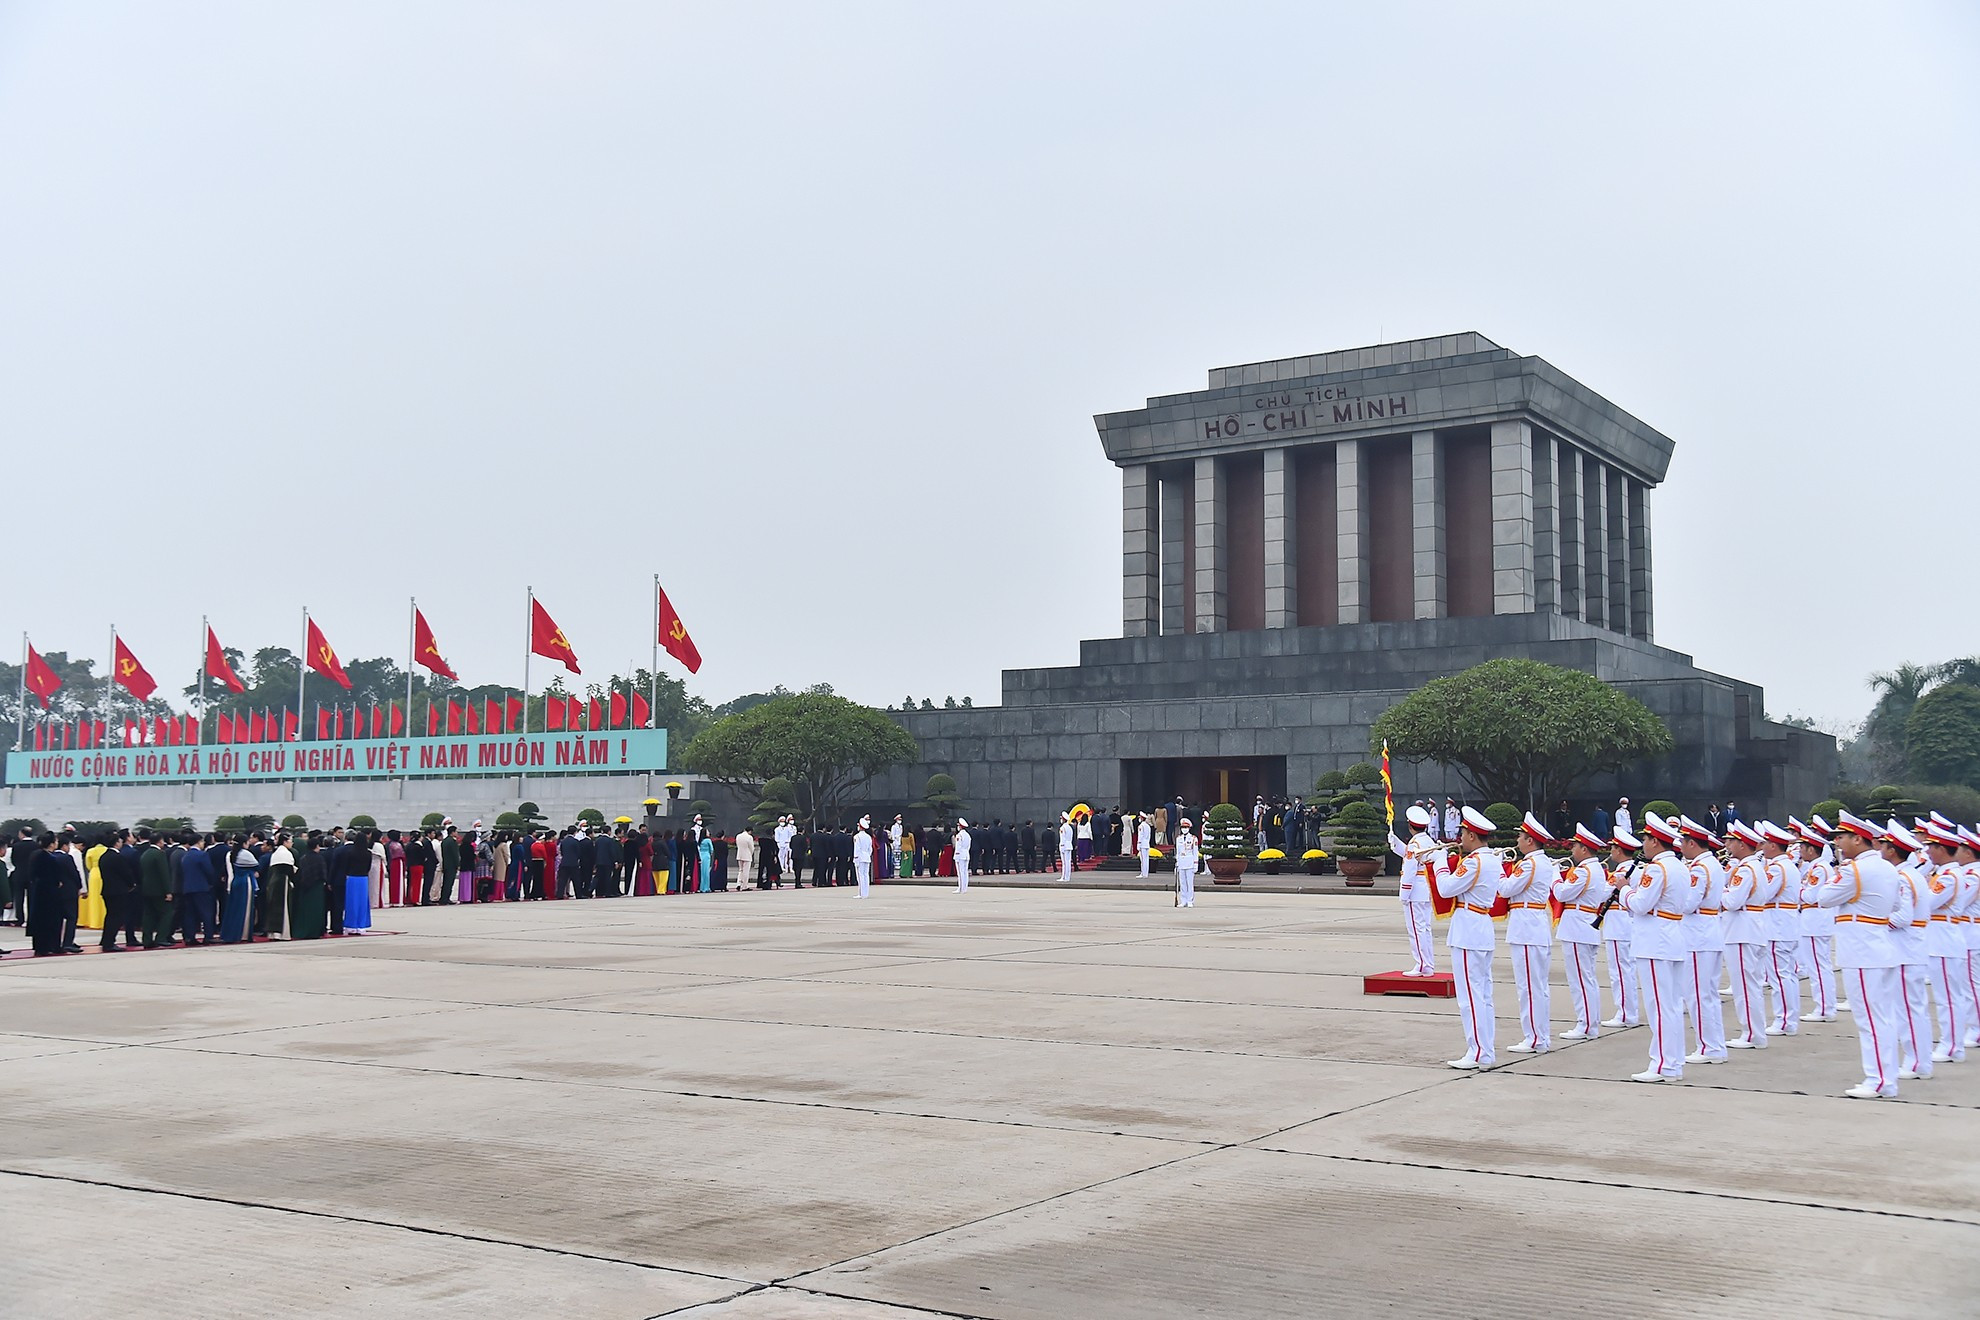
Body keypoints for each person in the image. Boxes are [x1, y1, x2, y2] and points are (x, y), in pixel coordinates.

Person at [1817, 811, 1906, 1098]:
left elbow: (1823, 898)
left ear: (1858, 839)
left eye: (1842, 837)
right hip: (1879, 946)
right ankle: (1885, 1077)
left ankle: (1879, 1080)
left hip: (1862, 951)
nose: (1839, 843)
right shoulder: (1888, 869)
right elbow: (1895, 906)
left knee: (1870, 1019)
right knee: (1882, 1017)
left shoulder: (1854, 869)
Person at [1625, 813, 1695, 1082]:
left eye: (1645, 839)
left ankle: (1663, 1063)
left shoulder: (1656, 868)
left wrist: (1624, 892)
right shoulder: (1678, 866)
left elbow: (1641, 904)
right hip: (1672, 935)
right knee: (1671, 1005)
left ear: (1655, 841)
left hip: (1655, 939)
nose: (1643, 843)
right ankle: (1673, 1062)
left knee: (1660, 1006)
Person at [1439, 807, 1503, 1069]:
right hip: (1480, 927)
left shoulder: (1475, 862)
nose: (1460, 837)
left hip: (1469, 931)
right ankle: (1484, 1049)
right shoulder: (1491, 859)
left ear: (1472, 836)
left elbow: (1445, 889)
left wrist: (1441, 863)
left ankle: (1478, 1052)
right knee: (1483, 995)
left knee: (1470, 996)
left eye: (1463, 833)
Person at [1674, 816, 1728, 1066]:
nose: (1681, 846)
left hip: (1698, 934)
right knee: (1706, 993)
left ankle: (1709, 1046)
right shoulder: (1713, 864)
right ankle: (1714, 1044)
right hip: (1708, 931)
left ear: (1692, 843)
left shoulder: (1698, 868)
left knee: (1697, 994)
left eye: (1683, 842)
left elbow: (1688, 904)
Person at [1502, 813, 1558, 1054]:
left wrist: (1499, 870)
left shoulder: (1529, 864)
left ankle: (1534, 1037)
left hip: (1526, 928)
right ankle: (1540, 1035)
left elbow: (1505, 889)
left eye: (1521, 836)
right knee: (1538, 986)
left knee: (1528, 987)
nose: (1517, 840)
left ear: (1530, 841)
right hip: (1534, 926)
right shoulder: (1544, 862)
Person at [1887, 823, 1934, 1081]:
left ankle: (1917, 1062)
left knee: (1908, 1008)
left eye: (1883, 845)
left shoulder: (1902, 878)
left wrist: (1876, 919)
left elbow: (1903, 917)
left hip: (1905, 946)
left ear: (1892, 850)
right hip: (1910, 946)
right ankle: (1918, 1059)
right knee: (1912, 1007)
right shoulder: (1911, 874)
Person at [1720, 823, 1773, 1050]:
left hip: (1742, 930)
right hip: (1751, 927)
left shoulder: (1745, 869)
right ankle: (1754, 1031)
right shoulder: (1754, 867)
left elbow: (1732, 902)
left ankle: (1752, 1033)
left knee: (1745, 986)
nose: (1727, 845)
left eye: (1731, 841)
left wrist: (1719, 892)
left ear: (1742, 844)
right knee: (1750, 984)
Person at [1555, 825, 1608, 1039]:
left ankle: (1586, 1024)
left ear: (1584, 849)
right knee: (1587, 979)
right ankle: (1590, 1021)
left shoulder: (1583, 871)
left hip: (1578, 927)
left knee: (1580, 980)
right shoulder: (1595, 869)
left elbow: (1562, 893)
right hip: (1584, 926)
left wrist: (1555, 877)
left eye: (1575, 846)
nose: (1572, 850)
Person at [1387, 805, 1445, 977]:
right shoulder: (1426, 840)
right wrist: (1395, 842)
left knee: (1416, 929)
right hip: (1425, 889)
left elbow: (1410, 868)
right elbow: (1408, 854)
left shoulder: (1415, 843)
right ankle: (1427, 964)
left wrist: (1404, 893)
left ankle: (1422, 965)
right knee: (1424, 928)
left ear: (1410, 826)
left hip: (1415, 890)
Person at [1757, 823, 1803, 1037]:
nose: (1762, 846)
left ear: (1773, 845)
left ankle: (1784, 1020)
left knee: (1779, 975)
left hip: (1777, 925)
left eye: (1765, 843)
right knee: (1786, 974)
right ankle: (1788, 1018)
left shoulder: (1776, 868)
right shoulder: (1788, 865)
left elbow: (1764, 894)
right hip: (1785, 923)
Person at [1796, 819, 1840, 1021]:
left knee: (1818, 966)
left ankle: (1824, 1008)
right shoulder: (1819, 867)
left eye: (1803, 847)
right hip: (1815, 919)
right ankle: (1824, 1006)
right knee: (1818, 965)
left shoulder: (1818, 868)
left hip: (1815, 919)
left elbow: (1811, 896)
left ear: (1811, 850)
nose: (1800, 851)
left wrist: (1798, 890)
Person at [1600, 828, 1642, 1027]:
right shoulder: (1639, 869)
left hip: (1618, 923)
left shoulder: (1620, 872)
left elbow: (1601, 895)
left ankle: (1626, 1013)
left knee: (1619, 970)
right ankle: (1628, 1011)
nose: (1611, 851)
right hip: (1628, 922)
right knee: (1626, 969)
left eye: (1613, 847)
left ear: (1619, 850)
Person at [27, 833, 81, 955]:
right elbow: (52, 876)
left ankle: (41, 947)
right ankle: (51, 946)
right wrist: (57, 882)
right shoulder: (48, 858)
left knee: (41, 921)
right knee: (52, 921)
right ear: (51, 844)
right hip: (49, 894)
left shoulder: (35, 855)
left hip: (38, 892)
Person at [97, 829, 140, 951]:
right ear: (116, 843)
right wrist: (132, 884)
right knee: (116, 917)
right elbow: (126, 874)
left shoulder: (104, 857)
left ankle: (106, 940)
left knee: (110, 916)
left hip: (107, 890)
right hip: (118, 891)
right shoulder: (117, 857)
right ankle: (109, 943)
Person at [179, 832, 220, 945]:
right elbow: (209, 871)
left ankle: (190, 937)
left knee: (190, 914)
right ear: (198, 842)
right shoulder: (202, 855)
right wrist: (211, 883)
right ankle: (208, 935)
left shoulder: (185, 856)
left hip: (188, 888)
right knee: (206, 913)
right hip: (201, 887)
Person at [221, 835, 259, 943]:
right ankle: (244, 934)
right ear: (244, 843)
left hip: (236, 881)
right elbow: (256, 865)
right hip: (245, 882)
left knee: (234, 908)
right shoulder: (245, 854)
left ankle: (232, 933)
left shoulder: (231, 853)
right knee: (245, 908)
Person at [291, 833, 329, 940]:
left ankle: (303, 931)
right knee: (316, 910)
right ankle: (315, 932)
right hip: (317, 888)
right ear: (317, 846)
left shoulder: (304, 858)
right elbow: (322, 873)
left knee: (305, 910)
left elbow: (301, 873)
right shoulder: (319, 858)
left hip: (305, 887)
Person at [340, 830, 373, 934]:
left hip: (352, 878)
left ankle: (351, 925)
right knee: (362, 903)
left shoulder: (350, 852)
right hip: (363, 878)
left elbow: (345, 866)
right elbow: (368, 867)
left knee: (351, 902)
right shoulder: (368, 853)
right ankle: (361, 925)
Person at [264, 833, 295, 939]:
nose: (292, 843)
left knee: (273, 907)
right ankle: (282, 933)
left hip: (273, 881)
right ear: (285, 841)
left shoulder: (276, 853)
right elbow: (289, 870)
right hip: (283, 882)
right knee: (283, 907)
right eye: (290, 841)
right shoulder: (286, 854)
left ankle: (273, 933)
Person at [1173, 817, 1198, 908]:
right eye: (1183, 827)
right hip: (1181, 862)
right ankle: (1183, 900)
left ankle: (1190, 900)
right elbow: (1178, 852)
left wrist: (1196, 864)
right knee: (1182, 883)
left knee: (1189, 883)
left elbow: (1195, 852)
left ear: (1189, 828)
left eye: (1186, 827)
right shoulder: (1178, 839)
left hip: (1190, 862)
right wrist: (1177, 863)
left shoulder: (1193, 838)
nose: (1184, 829)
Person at [853, 821, 873, 898]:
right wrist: (868, 855)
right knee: (866, 875)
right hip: (866, 856)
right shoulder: (868, 837)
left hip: (860, 857)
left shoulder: (857, 837)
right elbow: (870, 849)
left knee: (860, 875)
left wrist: (856, 857)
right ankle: (866, 893)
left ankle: (861, 893)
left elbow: (857, 848)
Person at [952, 818, 972, 893]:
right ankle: (964, 888)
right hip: (966, 854)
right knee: (965, 872)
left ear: (960, 826)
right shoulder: (967, 835)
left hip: (960, 855)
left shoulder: (959, 835)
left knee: (960, 873)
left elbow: (958, 846)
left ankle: (960, 888)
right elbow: (968, 846)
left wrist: (956, 856)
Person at [1058, 813, 1074, 883]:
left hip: (1064, 845)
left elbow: (1062, 838)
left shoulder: (1062, 828)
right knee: (1068, 862)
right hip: (1069, 845)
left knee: (1064, 862)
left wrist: (1061, 846)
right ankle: (1067, 877)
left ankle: (1064, 877)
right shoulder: (1070, 827)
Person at [1137, 812, 1153, 879]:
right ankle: (1145, 873)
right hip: (1147, 844)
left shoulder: (1141, 826)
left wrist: (1139, 843)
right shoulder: (1148, 826)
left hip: (1142, 844)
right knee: (1146, 860)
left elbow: (1140, 835)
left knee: (1143, 860)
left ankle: (1143, 873)